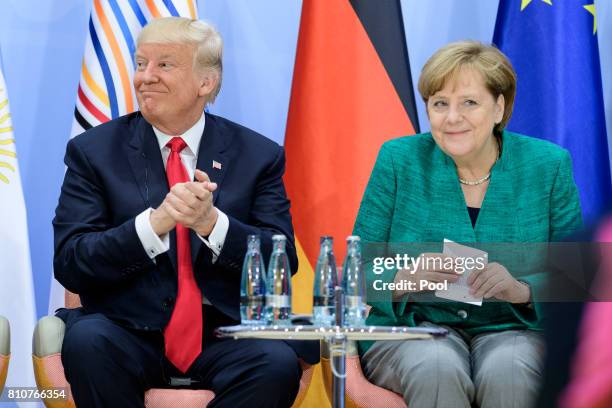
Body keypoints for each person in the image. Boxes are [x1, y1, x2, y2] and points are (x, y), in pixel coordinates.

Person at [53, 17, 317, 408]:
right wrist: (152, 225)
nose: (146, 77)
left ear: (205, 83)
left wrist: (212, 224)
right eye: (141, 64)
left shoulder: (258, 155)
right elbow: (71, 260)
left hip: (225, 333)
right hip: (124, 328)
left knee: (275, 362)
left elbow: (282, 259)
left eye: (164, 65)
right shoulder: (93, 153)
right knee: (88, 343)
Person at [353, 41, 582, 408]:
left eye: (469, 103)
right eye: (440, 103)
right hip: (414, 328)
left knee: (509, 370)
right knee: (436, 366)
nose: (452, 117)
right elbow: (354, 272)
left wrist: (521, 289)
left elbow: (575, 278)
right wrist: (405, 277)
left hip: (516, 329)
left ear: (499, 107)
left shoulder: (548, 165)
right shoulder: (398, 160)